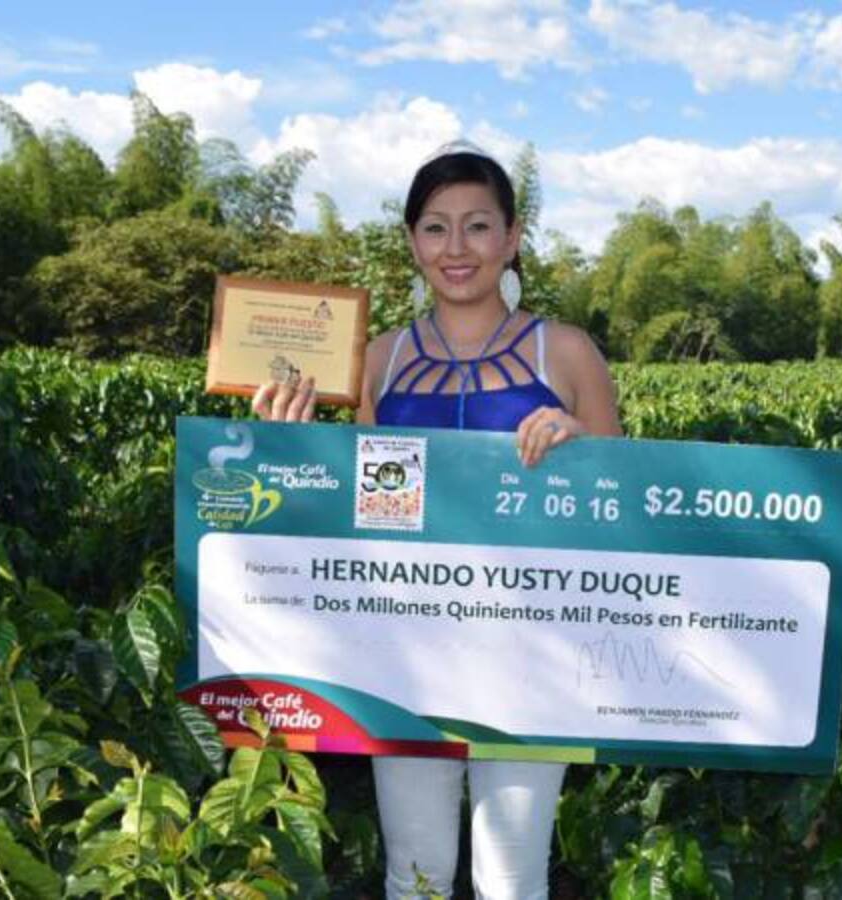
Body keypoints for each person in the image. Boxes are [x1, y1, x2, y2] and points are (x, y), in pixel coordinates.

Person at [253, 139, 622, 899]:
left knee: (513, 879)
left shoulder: (570, 353)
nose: (457, 249)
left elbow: (620, 513)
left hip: (534, 651)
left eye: (478, 226)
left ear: (514, 237)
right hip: (406, 650)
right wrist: (290, 438)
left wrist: (583, 451)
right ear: (412, 243)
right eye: (434, 227)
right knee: (414, 873)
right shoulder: (375, 360)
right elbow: (349, 507)